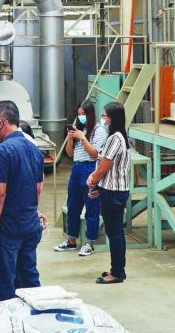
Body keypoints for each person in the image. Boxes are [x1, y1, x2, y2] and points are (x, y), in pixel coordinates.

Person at [0, 100, 44, 302]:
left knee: (5, 281)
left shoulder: (3, 151)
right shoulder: (33, 148)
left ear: (2, 122)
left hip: (9, 226)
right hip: (30, 224)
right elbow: (38, 186)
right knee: (29, 277)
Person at [54, 100, 107, 256]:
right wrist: (71, 138)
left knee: (91, 207)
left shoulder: (99, 131)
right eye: (79, 114)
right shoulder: (79, 130)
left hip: (90, 168)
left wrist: (83, 138)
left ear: (90, 114)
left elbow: (94, 154)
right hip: (76, 168)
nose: (81, 117)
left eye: (83, 114)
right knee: (73, 205)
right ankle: (71, 240)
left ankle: (90, 242)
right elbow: (70, 154)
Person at [87, 102, 131, 284]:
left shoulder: (115, 139)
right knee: (117, 233)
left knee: (114, 234)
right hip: (113, 191)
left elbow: (105, 165)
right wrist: (100, 188)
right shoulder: (121, 137)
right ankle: (118, 269)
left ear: (113, 118)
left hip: (113, 194)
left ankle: (117, 273)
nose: (103, 119)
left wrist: (93, 181)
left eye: (105, 116)